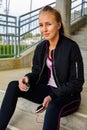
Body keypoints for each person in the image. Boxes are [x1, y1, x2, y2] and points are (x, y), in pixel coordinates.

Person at [0, 5, 84, 130]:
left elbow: (77, 83)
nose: (44, 29)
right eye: (40, 25)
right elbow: (37, 72)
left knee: (53, 106)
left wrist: (53, 96)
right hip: (48, 89)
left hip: (69, 95)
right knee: (13, 86)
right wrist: (27, 78)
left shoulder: (71, 47)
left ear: (59, 25)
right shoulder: (40, 48)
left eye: (48, 24)